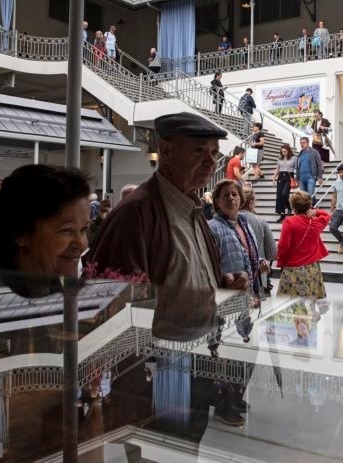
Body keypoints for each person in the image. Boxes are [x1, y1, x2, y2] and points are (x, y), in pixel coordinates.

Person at [86, 111, 250, 326]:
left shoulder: (193, 210)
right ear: (166, 151)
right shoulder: (135, 213)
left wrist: (222, 283)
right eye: (199, 150)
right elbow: (113, 307)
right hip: (158, 343)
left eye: (214, 152)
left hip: (198, 338)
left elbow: (186, 277)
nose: (211, 161)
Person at [0, 165, 91, 279]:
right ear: (20, 232)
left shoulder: (49, 285)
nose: (82, 243)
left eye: (84, 229)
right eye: (66, 230)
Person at [208, 180, 267, 303]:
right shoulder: (211, 228)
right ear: (217, 202)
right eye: (226, 195)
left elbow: (244, 253)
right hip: (225, 299)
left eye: (234, 194)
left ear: (241, 200)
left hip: (247, 297)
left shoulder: (246, 225)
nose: (231, 197)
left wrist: (259, 261)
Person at [276, 191, 330, 299]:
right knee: (310, 301)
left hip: (293, 268)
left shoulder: (289, 222)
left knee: (291, 303)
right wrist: (315, 211)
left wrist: (275, 254)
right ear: (309, 206)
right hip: (312, 268)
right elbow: (327, 215)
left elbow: (283, 245)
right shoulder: (317, 222)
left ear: (293, 207)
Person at [241, 187, 276, 296]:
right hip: (258, 275)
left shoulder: (226, 220)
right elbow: (272, 252)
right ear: (251, 203)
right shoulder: (261, 221)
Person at [295, 137, 324, 202]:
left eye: (303, 142)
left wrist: (320, 177)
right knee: (303, 196)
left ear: (308, 143)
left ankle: (311, 206)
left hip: (311, 177)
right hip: (302, 178)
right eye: (301, 143)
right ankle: (314, 205)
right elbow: (297, 167)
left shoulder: (314, 152)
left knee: (310, 195)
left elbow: (320, 164)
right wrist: (297, 178)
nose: (302, 144)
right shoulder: (300, 154)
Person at [273, 144, 297, 222]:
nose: (283, 153)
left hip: (289, 176)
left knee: (284, 193)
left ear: (288, 151)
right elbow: (277, 169)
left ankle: (289, 206)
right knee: (279, 196)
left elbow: (297, 169)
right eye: (282, 151)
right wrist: (274, 179)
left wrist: (297, 178)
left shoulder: (294, 158)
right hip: (280, 177)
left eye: (285, 151)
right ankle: (282, 215)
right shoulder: (279, 159)